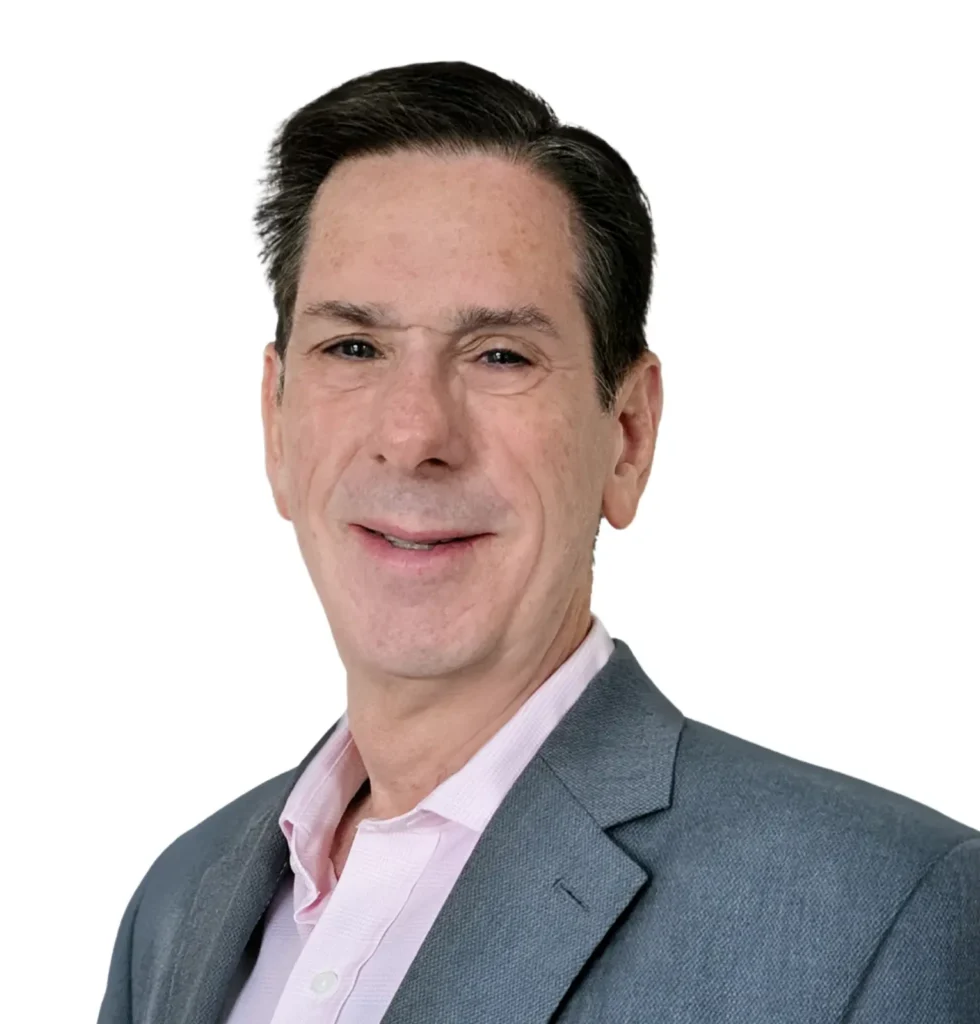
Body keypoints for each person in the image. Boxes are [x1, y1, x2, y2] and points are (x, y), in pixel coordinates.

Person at [96, 61, 979, 1024]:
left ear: (628, 435)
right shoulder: (177, 906)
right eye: (354, 346)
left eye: (500, 355)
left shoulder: (880, 915)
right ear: (276, 421)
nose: (415, 433)